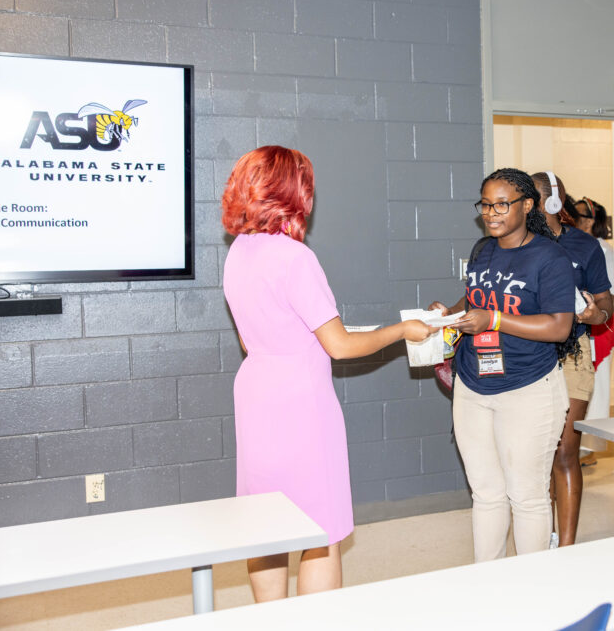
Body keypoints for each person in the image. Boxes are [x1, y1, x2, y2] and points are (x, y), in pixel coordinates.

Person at [221, 146, 435, 601]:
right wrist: (401, 331)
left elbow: (250, 338)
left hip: (256, 392)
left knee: (267, 522)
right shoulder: (296, 258)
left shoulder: (239, 251)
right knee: (320, 528)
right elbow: (339, 346)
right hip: (301, 403)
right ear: (295, 194)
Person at [427, 168, 576, 562]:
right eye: (485, 205)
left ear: (527, 205)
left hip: (529, 389)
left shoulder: (551, 258)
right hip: (474, 386)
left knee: (526, 496)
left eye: (501, 204)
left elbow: (559, 327)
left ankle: (532, 595)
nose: (491, 213)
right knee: (487, 495)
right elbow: (474, 300)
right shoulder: (483, 250)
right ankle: (488, 587)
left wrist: (494, 320)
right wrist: (447, 314)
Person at [531, 172, 613, 548]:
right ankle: (539, 535)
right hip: (528, 355)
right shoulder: (518, 243)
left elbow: (605, 305)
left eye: (528, 196)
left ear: (551, 202)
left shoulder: (584, 245)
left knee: (564, 450)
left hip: (573, 355)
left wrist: (594, 313)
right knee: (535, 452)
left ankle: (566, 547)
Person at [573, 197, 614, 461]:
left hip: (598, 322)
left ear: (589, 221)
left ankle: (586, 446)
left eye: (577, 216)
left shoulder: (601, 249)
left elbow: (609, 294)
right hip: (577, 322)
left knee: (595, 388)